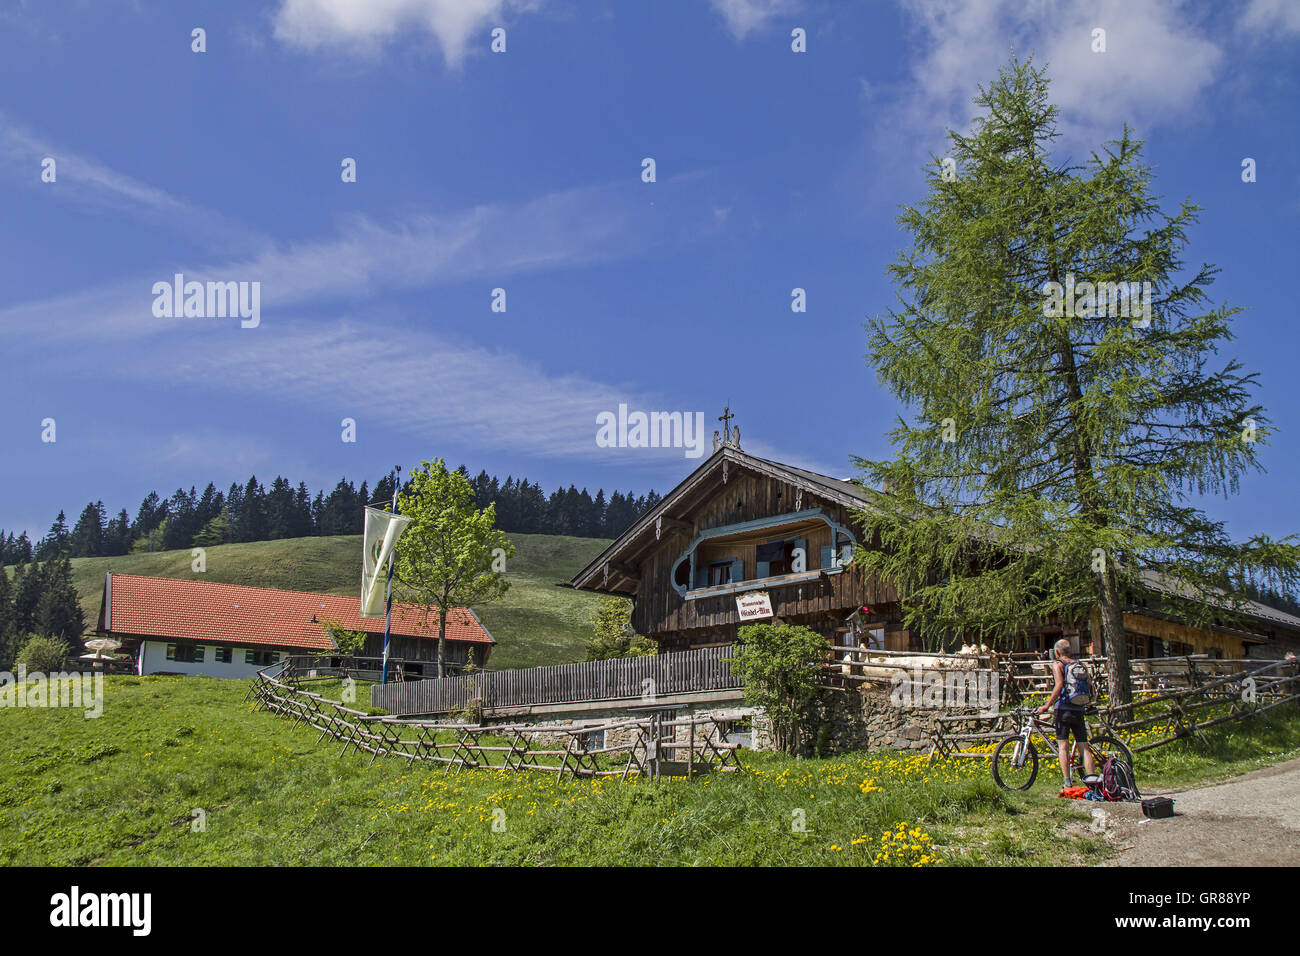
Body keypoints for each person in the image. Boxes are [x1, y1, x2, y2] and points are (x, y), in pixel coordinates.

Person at [1038, 638, 1095, 787]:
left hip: (1063, 709)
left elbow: (1059, 685)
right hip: (1078, 709)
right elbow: (1089, 685)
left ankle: (1067, 782)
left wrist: (1047, 705)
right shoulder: (1080, 665)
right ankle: (1093, 781)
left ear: (1057, 652)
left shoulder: (1058, 664)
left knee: (1063, 747)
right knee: (1084, 747)